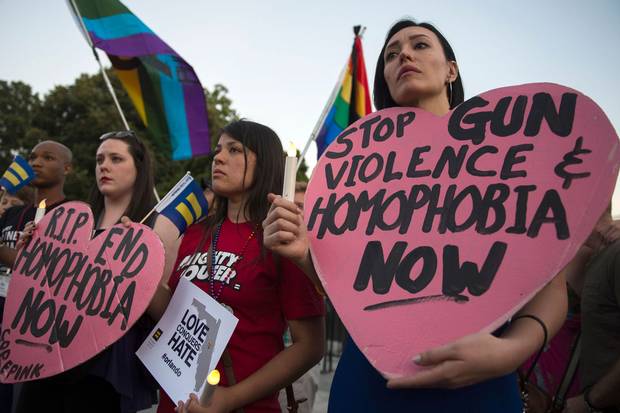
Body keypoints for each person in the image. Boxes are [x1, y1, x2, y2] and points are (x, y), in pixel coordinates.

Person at [262, 19, 578, 412]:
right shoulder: (361, 173)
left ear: (451, 69)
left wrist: (510, 351)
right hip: (366, 383)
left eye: (420, 45)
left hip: (478, 382)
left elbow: (550, 282)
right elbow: (348, 289)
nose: (403, 56)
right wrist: (305, 256)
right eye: (391, 55)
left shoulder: (509, 153)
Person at [151, 120, 325, 413]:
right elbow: (175, 314)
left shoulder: (282, 233)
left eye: (234, 150)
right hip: (177, 402)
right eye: (218, 150)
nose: (218, 158)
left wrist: (230, 398)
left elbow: (310, 346)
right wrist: (138, 279)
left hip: (245, 405)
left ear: (265, 162)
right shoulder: (196, 231)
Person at [14, 131, 159, 413]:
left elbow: (162, 308)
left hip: (102, 371)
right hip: (47, 357)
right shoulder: (71, 222)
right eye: (99, 159)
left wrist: (139, 263)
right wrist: (30, 254)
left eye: (116, 159)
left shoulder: (154, 228)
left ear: (139, 168)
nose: (104, 166)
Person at [0, 140, 72, 413]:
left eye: (48, 157)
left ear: (68, 168)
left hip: (34, 331)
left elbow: (46, 267)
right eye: (32, 157)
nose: (36, 163)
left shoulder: (72, 215)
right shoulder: (13, 213)